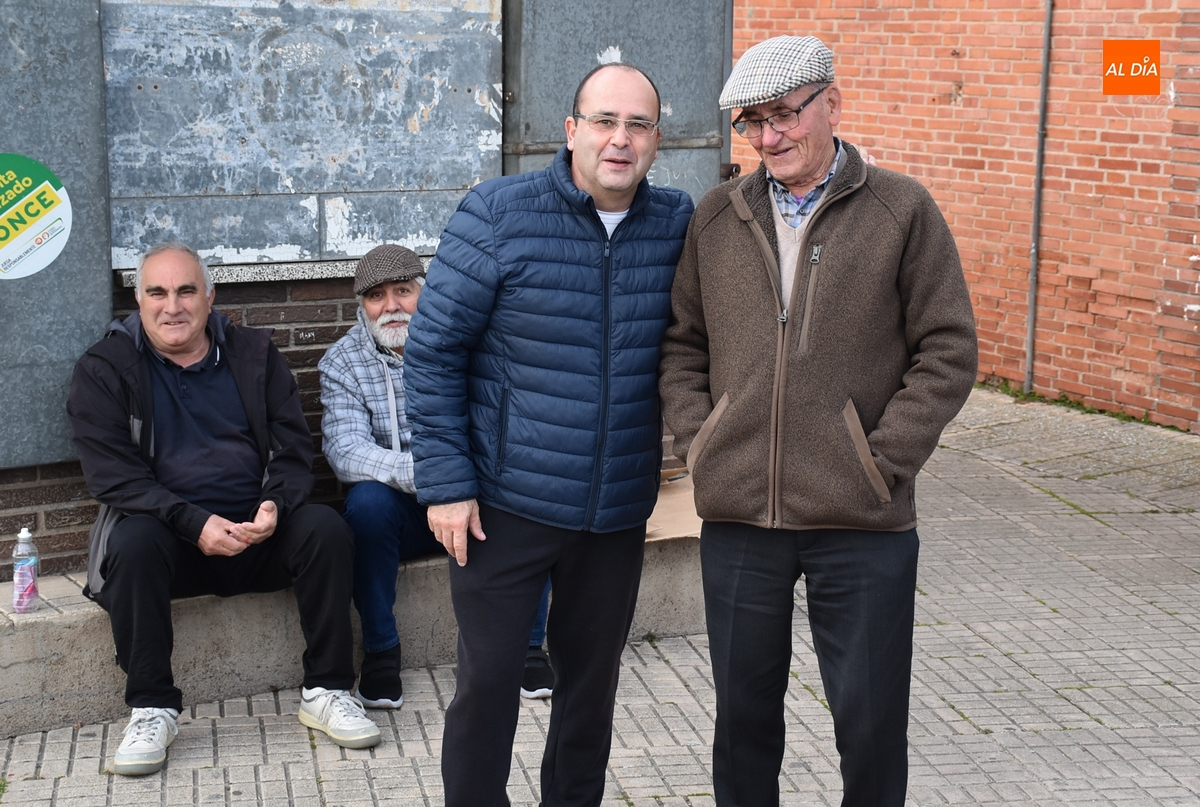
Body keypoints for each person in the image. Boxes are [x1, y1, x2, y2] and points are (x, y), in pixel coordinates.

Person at [658, 36, 978, 807]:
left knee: (869, 725)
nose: (769, 138)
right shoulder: (716, 217)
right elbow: (681, 345)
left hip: (861, 519)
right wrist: (706, 445)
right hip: (740, 517)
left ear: (831, 102)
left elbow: (948, 349)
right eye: (751, 122)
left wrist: (878, 462)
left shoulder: (903, 210)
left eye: (784, 115)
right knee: (742, 724)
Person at [402, 62, 694, 806]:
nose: (619, 140)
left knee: (589, 694)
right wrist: (448, 482)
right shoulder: (498, 213)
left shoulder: (678, 225)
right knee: (490, 686)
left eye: (637, 125)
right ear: (571, 131)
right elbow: (433, 350)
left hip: (616, 511)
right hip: (504, 506)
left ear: (657, 140)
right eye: (604, 121)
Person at [67, 242, 380, 777]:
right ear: (137, 301)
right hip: (171, 539)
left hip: (257, 533)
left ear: (210, 298)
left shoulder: (254, 355)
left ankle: (327, 690)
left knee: (326, 528)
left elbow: (293, 451)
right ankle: (152, 707)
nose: (174, 306)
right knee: (133, 542)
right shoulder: (105, 369)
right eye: (158, 292)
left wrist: (274, 506)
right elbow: (113, 477)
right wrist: (193, 522)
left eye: (187, 290)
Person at [317, 244, 555, 708]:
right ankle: (382, 653)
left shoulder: (466, 342)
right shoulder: (342, 362)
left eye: (403, 291)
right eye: (375, 296)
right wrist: (436, 476)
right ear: (360, 306)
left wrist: (461, 483)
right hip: (404, 508)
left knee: (528, 490)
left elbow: (503, 423)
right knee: (365, 505)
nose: (390, 306)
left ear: (426, 293)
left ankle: (528, 647)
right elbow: (345, 452)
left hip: (475, 501)